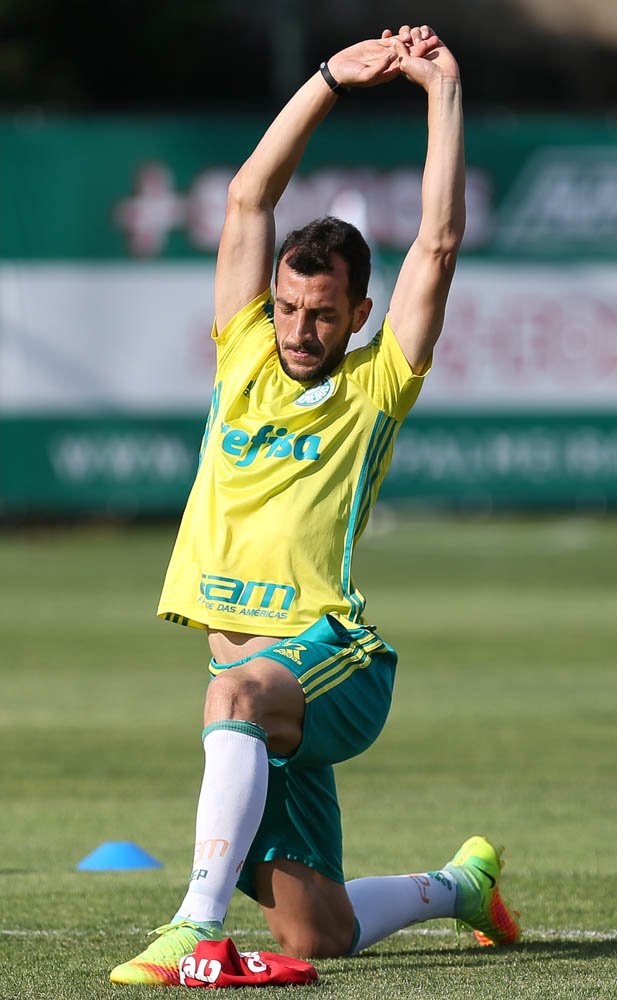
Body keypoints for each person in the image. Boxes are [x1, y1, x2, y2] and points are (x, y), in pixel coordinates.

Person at [111, 23, 520, 987]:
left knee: (232, 696)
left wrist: (440, 90)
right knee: (316, 934)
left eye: (322, 313)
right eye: (290, 308)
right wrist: (332, 77)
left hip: (329, 656)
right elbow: (250, 194)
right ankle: (462, 884)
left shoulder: (378, 384)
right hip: (256, 689)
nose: (299, 328)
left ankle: (191, 930)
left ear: (358, 317)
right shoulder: (243, 348)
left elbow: (439, 240)